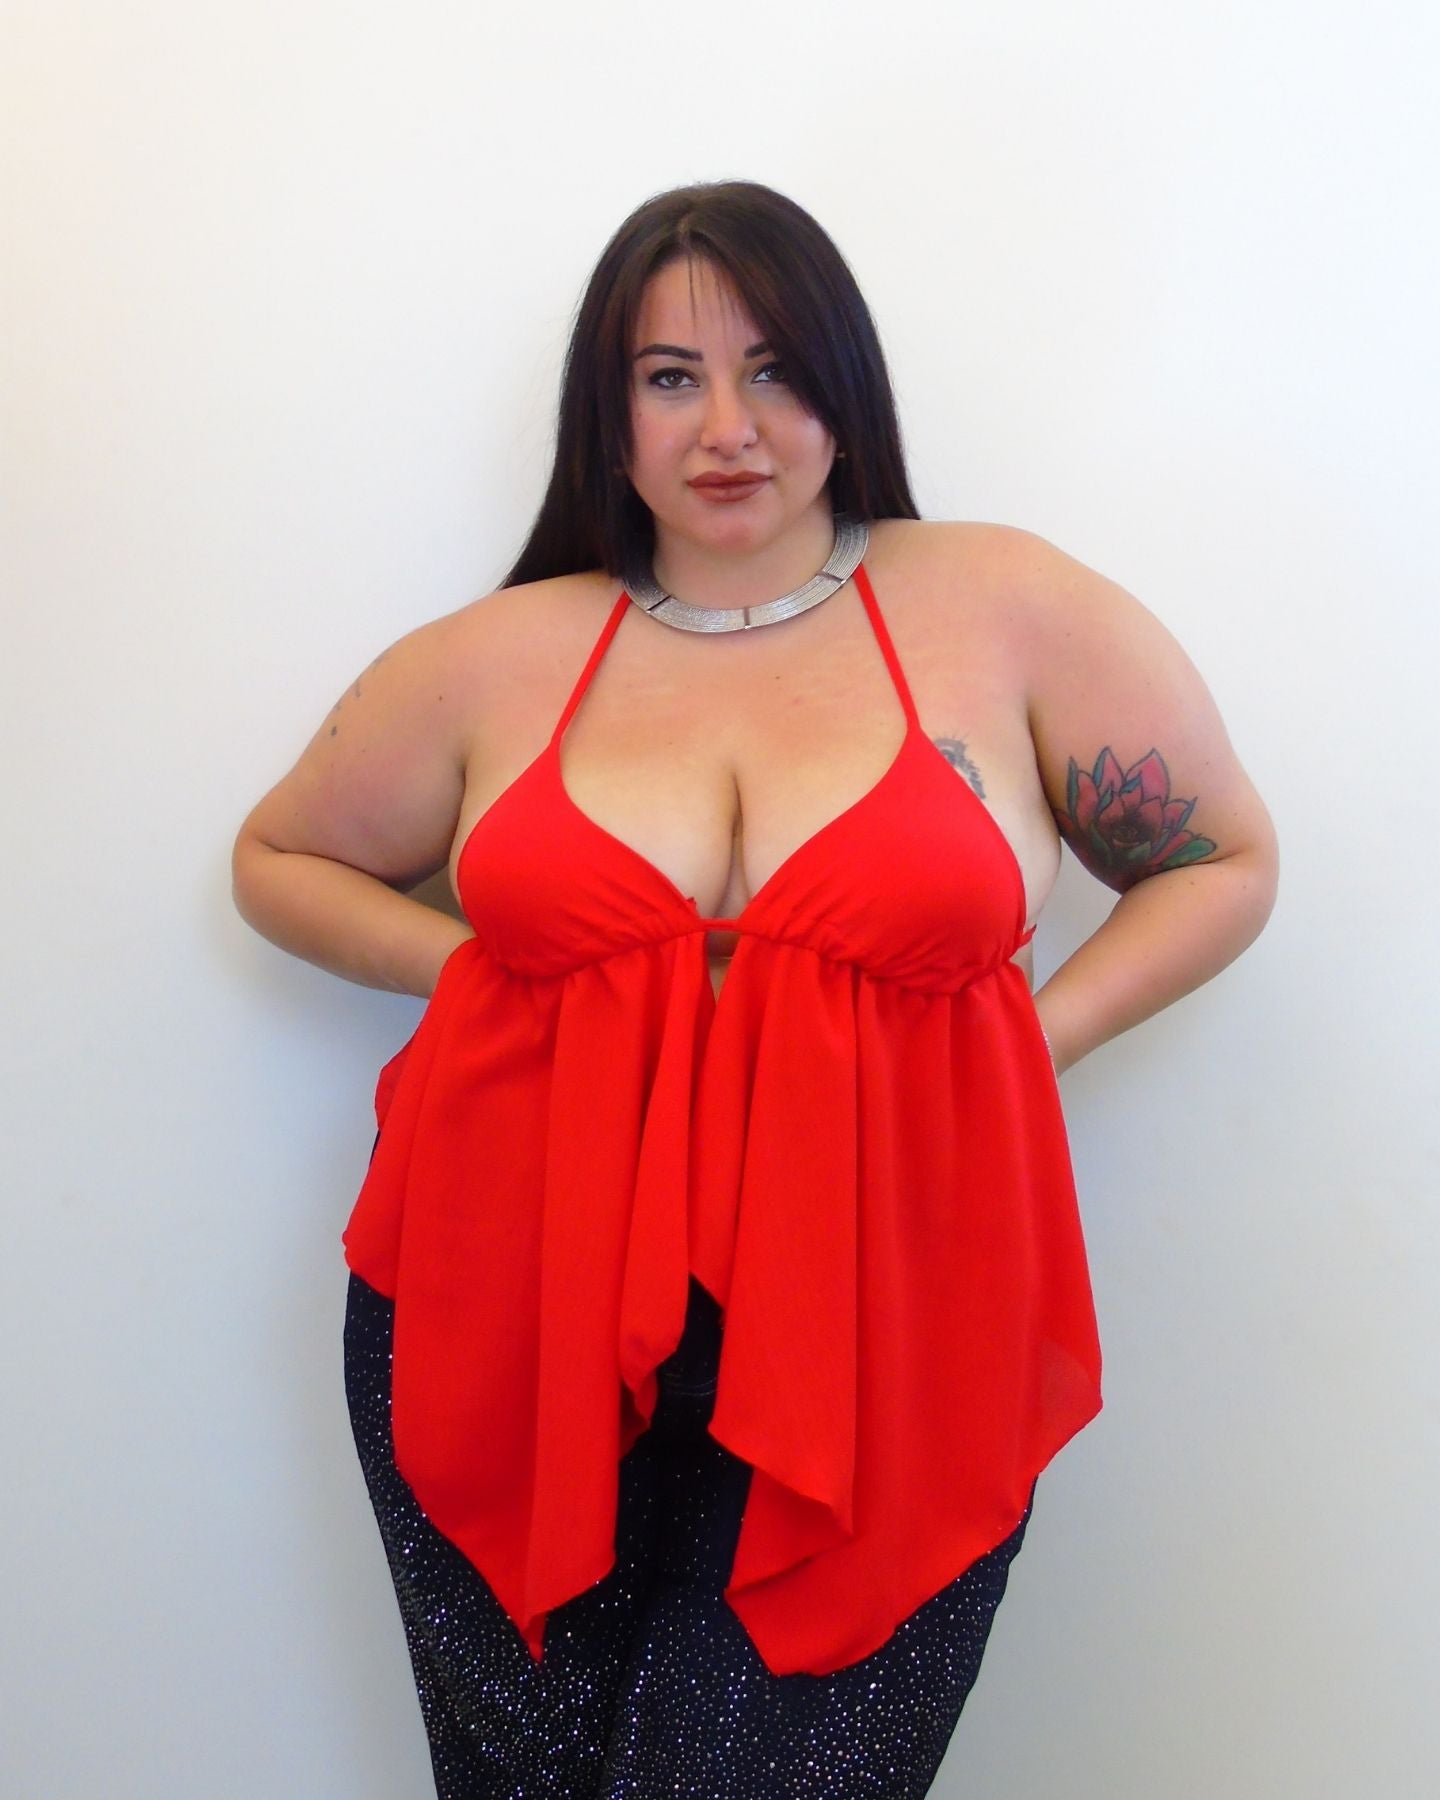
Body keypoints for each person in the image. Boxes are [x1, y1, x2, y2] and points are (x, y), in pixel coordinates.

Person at [231, 180, 1279, 1798]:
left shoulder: (1006, 607)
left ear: (845, 390)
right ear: (610, 415)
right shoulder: (497, 655)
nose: (728, 427)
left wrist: (1024, 1044)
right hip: (509, 1302)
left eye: (775, 369)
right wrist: (499, 980)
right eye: (671, 377)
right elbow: (280, 856)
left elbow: (1222, 861)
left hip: (890, 1303)